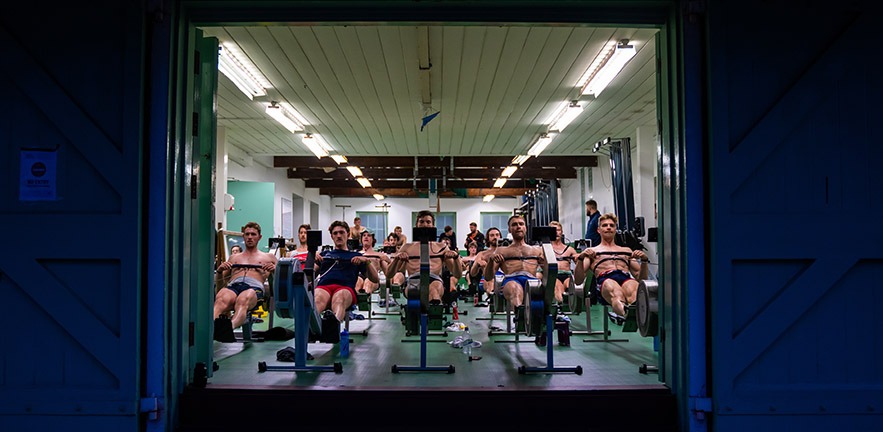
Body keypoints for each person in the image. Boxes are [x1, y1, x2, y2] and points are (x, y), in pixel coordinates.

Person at [573, 213, 648, 324]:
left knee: (634, 287)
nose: (608, 228)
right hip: (605, 280)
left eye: (611, 225)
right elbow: (578, 280)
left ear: (615, 229)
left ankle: (637, 316)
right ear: (598, 230)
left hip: (625, 277)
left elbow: (641, 278)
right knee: (615, 289)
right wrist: (580, 258)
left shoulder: (626, 251)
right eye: (605, 225)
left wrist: (644, 261)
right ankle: (627, 315)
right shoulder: (592, 251)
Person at [213, 221, 278, 343]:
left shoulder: (269, 258)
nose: (250, 237)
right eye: (247, 234)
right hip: (234, 286)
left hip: (254, 288)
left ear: (259, 237)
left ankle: (228, 329)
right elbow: (221, 285)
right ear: (243, 236)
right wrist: (220, 271)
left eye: (253, 234)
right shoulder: (234, 258)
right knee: (221, 297)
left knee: (243, 299)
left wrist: (275, 271)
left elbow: (282, 282)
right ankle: (211, 328)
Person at [314, 221, 379, 337]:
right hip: (324, 287)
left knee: (340, 298)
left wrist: (367, 261)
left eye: (341, 232)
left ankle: (332, 329)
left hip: (345, 288)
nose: (338, 236)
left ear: (348, 234)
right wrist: (311, 258)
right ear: (332, 236)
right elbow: (308, 277)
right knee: (317, 298)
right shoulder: (324, 255)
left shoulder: (355, 256)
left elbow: (375, 279)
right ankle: (311, 329)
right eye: (335, 233)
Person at [387, 210, 461, 304]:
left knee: (435, 289)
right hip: (414, 279)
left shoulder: (441, 247)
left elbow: (457, 274)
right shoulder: (407, 247)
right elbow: (389, 274)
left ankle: (434, 308)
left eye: (428, 222)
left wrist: (456, 257)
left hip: (434, 279)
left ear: (433, 225)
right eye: (421, 221)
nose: (425, 224)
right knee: (414, 291)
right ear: (416, 225)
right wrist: (397, 259)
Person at [486, 216, 546, 326]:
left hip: (532, 281)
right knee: (514, 288)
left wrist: (544, 263)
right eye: (514, 225)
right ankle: (521, 317)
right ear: (509, 229)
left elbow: (548, 273)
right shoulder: (501, 250)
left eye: (521, 224)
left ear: (525, 228)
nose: (518, 227)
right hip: (511, 279)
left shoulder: (537, 250)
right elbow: (488, 277)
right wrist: (490, 260)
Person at [549, 221, 579, 304]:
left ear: (561, 232)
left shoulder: (570, 249)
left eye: (558, 230)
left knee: (572, 287)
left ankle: (570, 305)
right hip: (553, 276)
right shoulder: (545, 249)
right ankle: (561, 306)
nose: (556, 233)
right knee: (558, 287)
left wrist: (581, 257)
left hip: (567, 275)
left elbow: (579, 263)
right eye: (553, 230)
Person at [469, 227, 502, 300]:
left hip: (503, 279)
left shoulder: (506, 252)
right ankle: (492, 297)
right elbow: (472, 273)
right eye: (492, 235)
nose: (495, 237)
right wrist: (477, 264)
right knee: (490, 280)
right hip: (487, 280)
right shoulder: (482, 254)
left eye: (497, 235)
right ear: (488, 238)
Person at [355, 231, 390, 295]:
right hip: (359, 276)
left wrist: (388, 261)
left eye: (368, 235)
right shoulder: (356, 254)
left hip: (373, 277)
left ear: (373, 240)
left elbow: (388, 272)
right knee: (357, 282)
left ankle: (365, 296)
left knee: (368, 282)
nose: (366, 237)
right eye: (364, 235)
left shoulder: (379, 255)